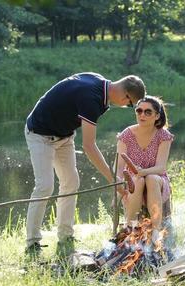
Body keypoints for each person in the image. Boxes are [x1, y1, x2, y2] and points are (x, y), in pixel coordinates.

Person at [24, 72, 146, 257]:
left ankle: (65, 236)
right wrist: (115, 180)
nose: (125, 106)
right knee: (45, 186)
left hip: (64, 135)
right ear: (125, 96)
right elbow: (89, 147)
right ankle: (32, 242)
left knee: (71, 182)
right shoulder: (92, 98)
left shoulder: (100, 85)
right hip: (40, 134)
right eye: (129, 104)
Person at [116, 95, 174, 231]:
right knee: (138, 181)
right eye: (139, 111)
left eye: (148, 112)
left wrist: (143, 172)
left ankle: (156, 231)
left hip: (157, 179)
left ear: (157, 116)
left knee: (151, 179)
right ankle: (131, 229)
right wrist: (118, 188)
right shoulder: (127, 134)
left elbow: (161, 168)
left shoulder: (163, 135)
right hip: (133, 182)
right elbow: (118, 166)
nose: (142, 115)